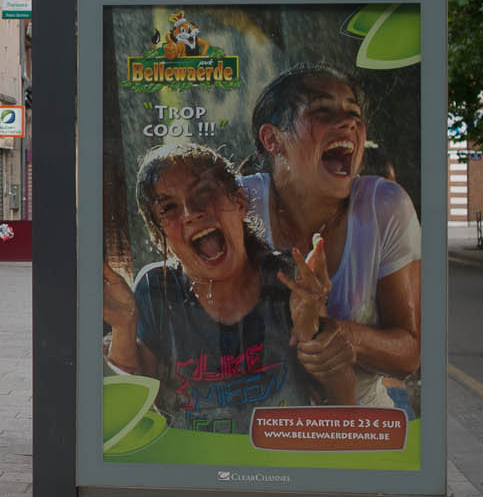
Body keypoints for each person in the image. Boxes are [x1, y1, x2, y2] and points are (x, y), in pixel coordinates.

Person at [103, 143, 358, 435]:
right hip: (192, 472)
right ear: (160, 239)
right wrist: (123, 326)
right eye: (169, 207)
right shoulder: (157, 289)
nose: (190, 213)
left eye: (203, 192)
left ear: (239, 203)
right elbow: (134, 414)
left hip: (276, 467)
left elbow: (343, 407)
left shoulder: (287, 280)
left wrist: (311, 329)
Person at [240, 65, 422, 410]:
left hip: (360, 429)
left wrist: (344, 335)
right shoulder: (239, 206)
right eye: (322, 112)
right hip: (255, 428)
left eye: (354, 113)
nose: (349, 123)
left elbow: (410, 353)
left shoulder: (385, 206)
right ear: (272, 139)